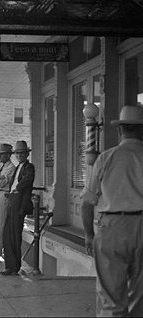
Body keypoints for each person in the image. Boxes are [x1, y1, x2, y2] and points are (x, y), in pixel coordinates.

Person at [80, 105, 143, 317]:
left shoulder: (106, 158)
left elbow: (87, 202)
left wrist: (89, 234)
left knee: (111, 297)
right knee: (140, 298)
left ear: (120, 130)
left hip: (112, 228)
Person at [1, 140, 35, 276]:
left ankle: (14, 267)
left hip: (19, 202)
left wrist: (16, 189)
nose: (19, 155)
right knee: (7, 234)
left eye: (22, 153)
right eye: (17, 153)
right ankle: (10, 265)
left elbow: (28, 180)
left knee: (14, 235)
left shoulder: (29, 167)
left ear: (26, 154)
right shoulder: (17, 167)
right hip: (12, 201)